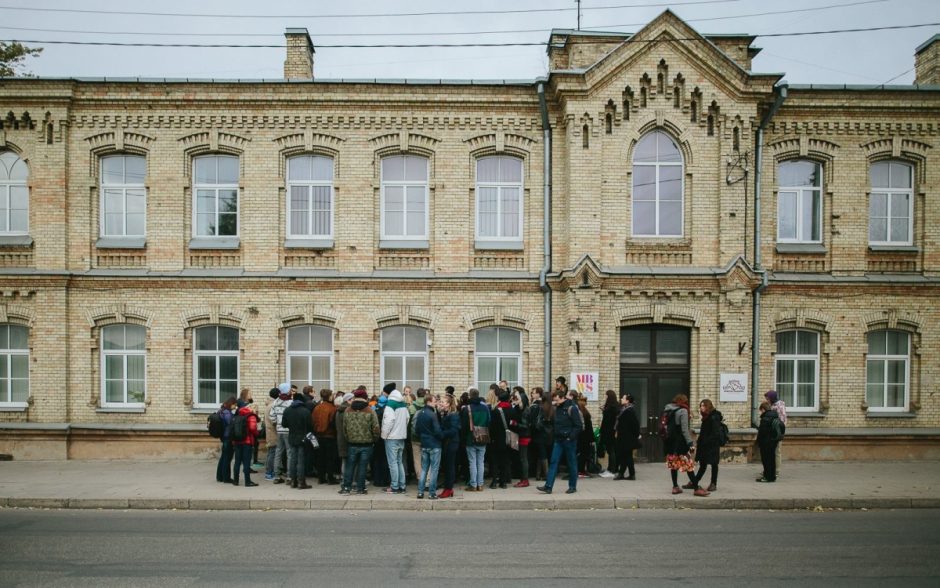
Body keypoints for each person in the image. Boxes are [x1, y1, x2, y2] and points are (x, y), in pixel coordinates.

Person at [538, 389, 583, 495]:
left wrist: (570, 437)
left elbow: (578, 426)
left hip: (569, 441)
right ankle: (548, 486)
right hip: (558, 440)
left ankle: (572, 486)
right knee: (553, 462)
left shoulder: (572, 408)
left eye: (557, 400)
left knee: (571, 463)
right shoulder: (557, 407)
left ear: (562, 398)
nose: (555, 402)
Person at [340, 387, 379, 495]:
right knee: (363, 467)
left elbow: (344, 428)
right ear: (365, 398)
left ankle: (346, 488)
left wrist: (349, 438)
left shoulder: (348, 410)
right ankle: (360, 488)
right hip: (367, 443)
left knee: (350, 466)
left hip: (352, 443)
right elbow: (375, 428)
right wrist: (374, 439)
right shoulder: (370, 410)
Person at [686, 398, 723, 496]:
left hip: (712, 445)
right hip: (705, 445)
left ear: (708, 406)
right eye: (701, 406)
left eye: (703, 406)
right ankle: (695, 482)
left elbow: (715, 433)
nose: (701, 408)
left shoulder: (714, 417)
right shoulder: (706, 417)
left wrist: (706, 441)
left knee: (714, 464)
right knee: (703, 464)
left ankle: (713, 483)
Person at [664, 393, 697, 494]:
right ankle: (697, 488)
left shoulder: (668, 409)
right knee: (688, 464)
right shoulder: (682, 410)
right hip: (680, 442)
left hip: (670, 442)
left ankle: (675, 487)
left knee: (673, 465)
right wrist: (690, 443)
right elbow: (684, 430)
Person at [281, 388, 312, 489]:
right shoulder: (305, 411)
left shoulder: (287, 410)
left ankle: (293, 481)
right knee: (301, 460)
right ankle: (301, 482)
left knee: (293, 459)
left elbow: (284, 424)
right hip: (303, 438)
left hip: (292, 437)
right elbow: (310, 426)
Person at [461, 387, 491, 492]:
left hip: (470, 438)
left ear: (470, 396)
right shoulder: (485, 408)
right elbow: (489, 422)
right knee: (481, 462)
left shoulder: (467, 408)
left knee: (472, 462)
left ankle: (473, 484)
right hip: (483, 437)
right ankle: (481, 484)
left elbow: (464, 426)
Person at [381, 386, 410, 494]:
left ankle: (394, 486)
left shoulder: (390, 404)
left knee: (392, 463)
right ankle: (402, 485)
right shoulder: (403, 404)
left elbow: (388, 421)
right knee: (399, 462)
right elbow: (407, 418)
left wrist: (384, 435)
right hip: (401, 436)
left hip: (391, 437)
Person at [415, 393, 443, 499]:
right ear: (428, 402)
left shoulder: (420, 413)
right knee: (434, 470)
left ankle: (420, 492)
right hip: (434, 445)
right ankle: (432, 493)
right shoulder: (432, 414)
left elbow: (417, 430)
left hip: (424, 444)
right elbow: (437, 431)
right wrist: (442, 436)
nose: (436, 403)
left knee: (424, 469)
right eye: (434, 401)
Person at [312, 389, 338, 485]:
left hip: (318, 436)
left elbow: (313, 421)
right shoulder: (332, 408)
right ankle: (330, 478)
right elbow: (333, 423)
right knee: (330, 458)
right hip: (329, 436)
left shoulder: (317, 407)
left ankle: (321, 477)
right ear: (330, 396)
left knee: (320, 457)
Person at [488, 390, 513, 489]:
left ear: (498, 398)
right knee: (505, 460)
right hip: (508, 439)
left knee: (495, 461)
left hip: (496, 439)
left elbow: (492, 427)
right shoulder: (512, 410)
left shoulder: (495, 410)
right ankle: (503, 482)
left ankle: (494, 482)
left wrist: (492, 438)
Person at [231, 400, 259, 487]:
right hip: (247, 442)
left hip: (237, 441)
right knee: (246, 462)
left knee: (237, 461)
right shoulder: (251, 416)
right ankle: (247, 481)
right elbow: (252, 428)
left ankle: (236, 480)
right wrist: (257, 433)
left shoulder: (238, 414)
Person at [269, 382, 292, 485]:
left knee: (278, 452)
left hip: (279, 430)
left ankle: (277, 476)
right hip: (288, 431)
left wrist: (277, 423)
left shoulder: (275, 402)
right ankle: (289, 476)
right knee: (289, 453)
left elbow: (272, 417)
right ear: (288, 391)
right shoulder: (291, 403)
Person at [438, 393, 460, 498]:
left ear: (448, 404)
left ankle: (449, 489)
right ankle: (447, 488)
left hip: (451, 443)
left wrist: (441, 433)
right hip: (447, 443)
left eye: (443, 402)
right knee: (446, 467)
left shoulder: (454, 415)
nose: (441, 403)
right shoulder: (445, 414)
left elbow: (453, 430)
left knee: (450, 467)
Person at [527, 387, 552, 481]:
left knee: (541, 453)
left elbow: (534, 420)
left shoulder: (537, 405)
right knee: (541, 453)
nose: (532, 394)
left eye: (533, 393)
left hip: (539, 433)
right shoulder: (546, 406)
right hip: (545, 433)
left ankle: (545, 474)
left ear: (539, 394)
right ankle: (540, 474)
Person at [757, 400, 785, 483]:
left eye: (761, 410)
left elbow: (762, 432)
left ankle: (767, 477)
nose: (760, 412)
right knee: (772, 460)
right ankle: (772, 477)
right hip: (773, 442)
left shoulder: (765, 418)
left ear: (763, 409)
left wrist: (759, 442)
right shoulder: (775, 416)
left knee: (766, 461)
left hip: (766, 443)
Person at [614, 393, 640, 481]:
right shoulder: (624, 409)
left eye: (623, 398)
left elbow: (635, 425)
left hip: (627, 438)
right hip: (623, 437)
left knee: (627, 456)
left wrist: (635, 435)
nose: (621, 399)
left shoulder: (629, 411)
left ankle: (628, 474)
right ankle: (625, 473)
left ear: (627, 400)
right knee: (625, 455)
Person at [510, 386, 531, 487]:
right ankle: (523, 479)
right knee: (522, 458)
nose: (516, 401)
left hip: (525, 436)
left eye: (518, 399)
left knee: (523, 458)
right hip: (522, 435)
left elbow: (525, 425)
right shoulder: (521, 409)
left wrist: (515, 424)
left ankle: (525, 480)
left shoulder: (526, 410)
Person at [765, 390, 787, 477]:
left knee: (777, 451)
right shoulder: (774, 405)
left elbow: (781, 421)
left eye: (768, 399)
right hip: (774, 431)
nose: (767, 400)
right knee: (772, 451)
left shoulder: (778, 407)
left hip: (777, 432)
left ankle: (776, 471)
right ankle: (770, 470)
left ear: (772, 398)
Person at [372, 390, 391, 488]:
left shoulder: (374, 409)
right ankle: (385, 480)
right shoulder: (388, 409)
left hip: (376, 438)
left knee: (376, 459)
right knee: (385, 459)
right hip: (386, 436)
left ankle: (377, 480)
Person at [215, 396, 237, 483]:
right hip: (228, 437)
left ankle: (219, 476)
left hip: (224, 437)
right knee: (227, 458)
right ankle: (226, 478)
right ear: (231, 404)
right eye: (234, 405)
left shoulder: (221, 411)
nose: (235, 407)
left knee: (223, 457)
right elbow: (230, 424)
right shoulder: (227, 413)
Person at [599, 389, 620, 475]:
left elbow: (608, 420)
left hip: (609, 432)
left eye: (606, 395)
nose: (605, 397)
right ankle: (611, 468)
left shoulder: (611, 408)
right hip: (611, 431)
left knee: (611, 450)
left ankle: (612, 469)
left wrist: (604, 411)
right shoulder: (615, 406)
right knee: (612, 450)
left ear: (609, 397)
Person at [263, 387, 280, 481]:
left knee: (271, 453)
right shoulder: (272, 406)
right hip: (273, 433)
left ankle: (270, 472)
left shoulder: (269, 405)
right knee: (272, 453)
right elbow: (274, 421)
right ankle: (269, 473)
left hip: (270, 432)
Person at [576, 394, 595, 478]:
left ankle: (580, 470)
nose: (586, 403)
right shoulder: (584, 412)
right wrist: (592, 439)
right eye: (585, 401)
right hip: (585, 437)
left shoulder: (580, 411)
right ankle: (581, 470)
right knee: (584, 454)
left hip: (580, 437)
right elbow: (589, 428)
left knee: (581, 454)